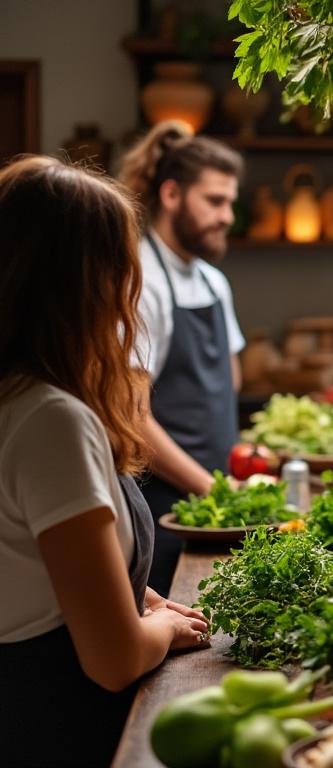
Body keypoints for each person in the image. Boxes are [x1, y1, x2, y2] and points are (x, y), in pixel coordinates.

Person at [0, 156, 211, 766]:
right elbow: (115, 661)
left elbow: (30, 569)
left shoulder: (19, 397)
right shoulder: (51, 421)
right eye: (124, 267)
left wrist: (133, 596)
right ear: (88, 283)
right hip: (56, 728)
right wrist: (166, 629)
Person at [118, 121, 245, 596]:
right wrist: (214, 490)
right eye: (215, 201)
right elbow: (132, 415)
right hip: (166, 510)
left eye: (231, 202)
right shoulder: (141, 280)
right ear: (171, 195)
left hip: (216, 503)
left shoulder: (213, 280)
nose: (228, 215)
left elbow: (227, 383)